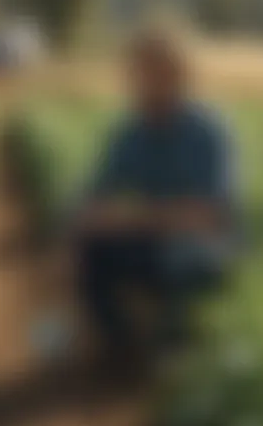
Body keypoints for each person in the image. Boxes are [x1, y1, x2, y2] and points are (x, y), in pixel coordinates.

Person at [74, 29, 240, 370]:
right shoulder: (131, 132)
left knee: (185, 256)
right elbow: (96, 192)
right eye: (134, 75)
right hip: (159, 238)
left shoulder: (208, 131)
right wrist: (83, 220)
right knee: (92, 250)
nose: (137, 84)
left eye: (147, 74)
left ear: (177, 77)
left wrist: (132, 218)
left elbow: (207, 215)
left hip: (207, 246)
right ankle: (121, 350)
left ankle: (181, 352)